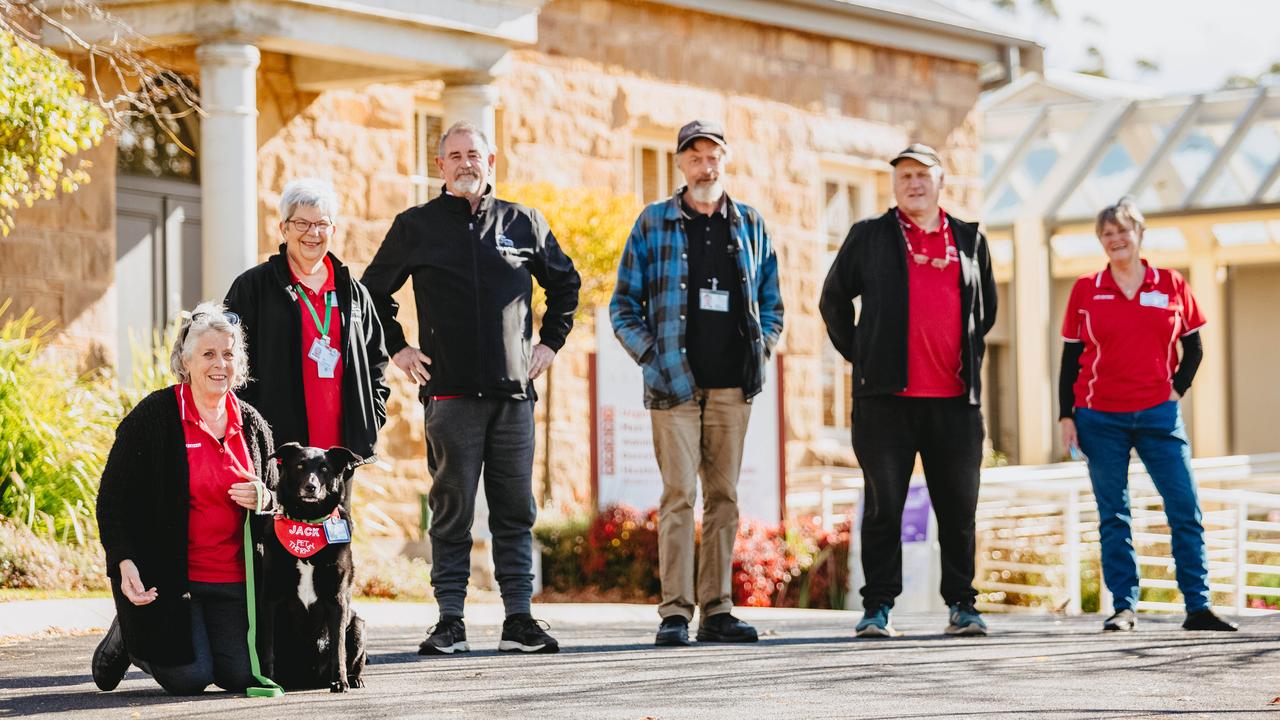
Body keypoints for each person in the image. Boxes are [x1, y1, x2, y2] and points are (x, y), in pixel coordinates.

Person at [361, 120, 581, 655]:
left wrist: (550, 344)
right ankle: (450, 621)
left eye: (473, 154)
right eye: (454, 155)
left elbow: (566, 283)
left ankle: (519, 620)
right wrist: (399, 348)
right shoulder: (416, 226)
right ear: (440, 166)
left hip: (513, 397)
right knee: (452, 508)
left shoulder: (523, 222)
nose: (465, 162)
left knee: (514, 510)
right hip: (450, 396)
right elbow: (369, 295)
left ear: (491, 160)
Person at [610, 120, 784, 647]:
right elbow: (623, 307)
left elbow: (772, 303)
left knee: (725, 496)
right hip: (673, 386)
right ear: (680, 164)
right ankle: (674, 613)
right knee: (680, 495)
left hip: (734, 386)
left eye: (713, 156)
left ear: (725, 161)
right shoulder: (653, 222)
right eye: (694, 157)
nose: (704, 165)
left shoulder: (750, 224)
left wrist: (764, 346)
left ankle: (718, 611)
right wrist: (652, 357)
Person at [819, 143, 996, 638]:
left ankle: (962, 604)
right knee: (884, 506)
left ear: (941, 182)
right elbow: (832, 301)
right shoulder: (869, 236)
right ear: (894, 186)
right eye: (903, 176)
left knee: (959, 508)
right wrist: (864, 356)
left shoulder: (969, 239)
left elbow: (987, 313)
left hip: (956, 403)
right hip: (885, 404)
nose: (912, 182)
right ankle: (877, 607)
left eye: (922, 174)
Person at [1058, 197, 1237, 633]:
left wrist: (1176, 391)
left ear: (1139, 234)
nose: (1116, 239)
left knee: (1184, 506)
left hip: (1160, 416)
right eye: (1107, 234)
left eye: (1123, 231)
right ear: (1101, 242)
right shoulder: (1086, 288)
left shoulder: (1171, 283)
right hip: (1100, 417)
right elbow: (1070, 358)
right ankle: (1124, 607)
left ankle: (1198, 606)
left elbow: (1193, 346)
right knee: (1113, 514)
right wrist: (1067, 416)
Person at [92, 303, 279, 694]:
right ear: (186, 360)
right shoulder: (154, 417)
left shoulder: (254, 426)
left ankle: (191, 637)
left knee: (241, 677)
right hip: (172, 580)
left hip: (232, 582)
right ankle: (129, 635)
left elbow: (278, 500)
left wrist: (263, 496)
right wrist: (122, 560)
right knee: (190, 678)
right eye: (208, 354)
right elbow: (113, 499)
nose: (219, 364)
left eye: (228, 354)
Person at [224, 177, 389, 464]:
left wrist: (370, 417)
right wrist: (251, 428)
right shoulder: (254, 287)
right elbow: (230, 357)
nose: (312, 233)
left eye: (321, 224)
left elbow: (377, 362)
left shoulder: (353, 293)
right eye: (302, 223)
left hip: (339, 458)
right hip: (277, 451)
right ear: (284, 228)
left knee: (337, 513)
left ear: (333, 230)